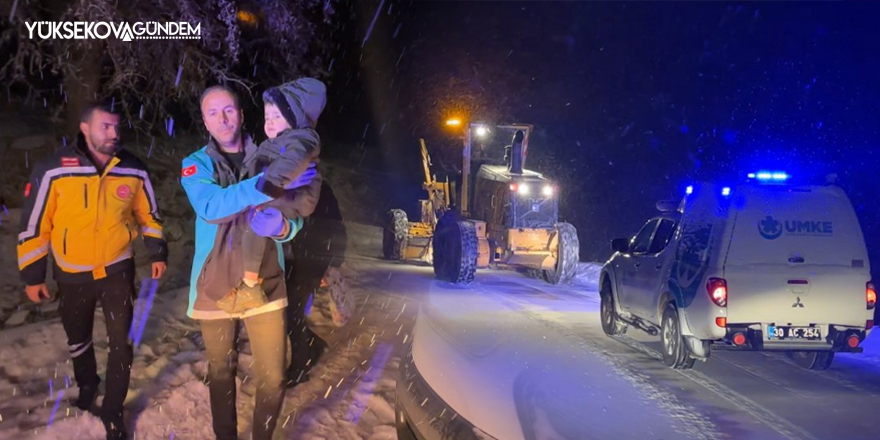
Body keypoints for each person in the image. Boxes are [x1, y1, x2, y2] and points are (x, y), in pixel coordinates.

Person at [17, 102, 168, 440]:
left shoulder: (133, 168)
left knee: (122, 343)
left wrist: (157, 251)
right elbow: (35, 224)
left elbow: (150, 216)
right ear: (85, 128)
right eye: (105, 127)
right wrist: (33, 275)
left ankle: (114, 412)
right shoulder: (54, 169)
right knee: (78, 338)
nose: (114, 134)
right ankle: (88, 385)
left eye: (117, 127)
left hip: (117, 270)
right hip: (72, 272)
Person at [180, 84, 317, 440]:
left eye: (229, 110)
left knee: (274, 376)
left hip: (267, 280)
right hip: (214, 283)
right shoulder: (195, 165)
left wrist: (285, 226)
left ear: (241, 114)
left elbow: (295, 213)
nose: (223, 119)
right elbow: (212, 208)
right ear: (205, 121)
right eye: (213, 112)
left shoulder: (278, 151)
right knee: (221, 370)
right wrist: (268, 183)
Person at [214, 78, 326, 314]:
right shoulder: (274, 143)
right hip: (282, 193)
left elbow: (294, 159)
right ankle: (250, 284)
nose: (270, 122)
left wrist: (273, 184)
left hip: (292, 195)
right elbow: (211, 208)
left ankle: (251, 284)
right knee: (253, 223)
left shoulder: (299, 138)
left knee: (255, 222)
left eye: (277, 116)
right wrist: (262, 185)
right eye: (267, 118)